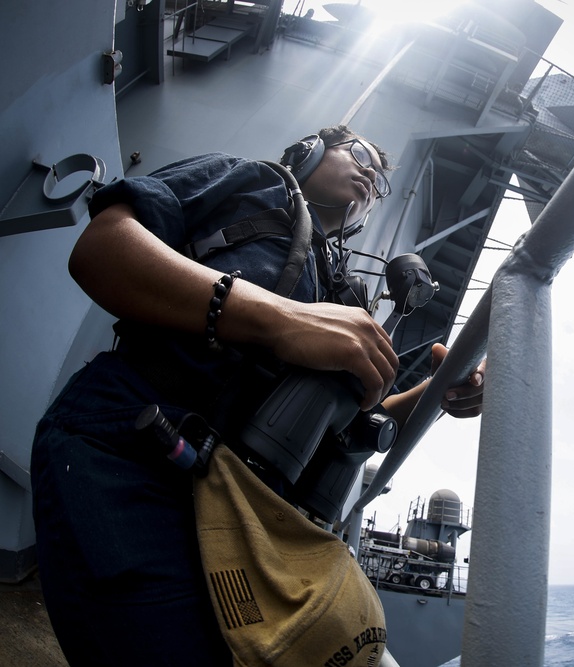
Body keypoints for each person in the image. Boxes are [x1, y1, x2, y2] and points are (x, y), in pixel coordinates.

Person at [30, 126, 486, 666]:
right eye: (358, 154)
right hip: (136, 452)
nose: (370, 176)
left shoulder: (341, 290)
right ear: (311, 150)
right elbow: (102, 250)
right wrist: (281, 319)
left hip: (244, 507)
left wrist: (435, 392)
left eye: (380, 182)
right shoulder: (253, 181)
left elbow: (346, 425)